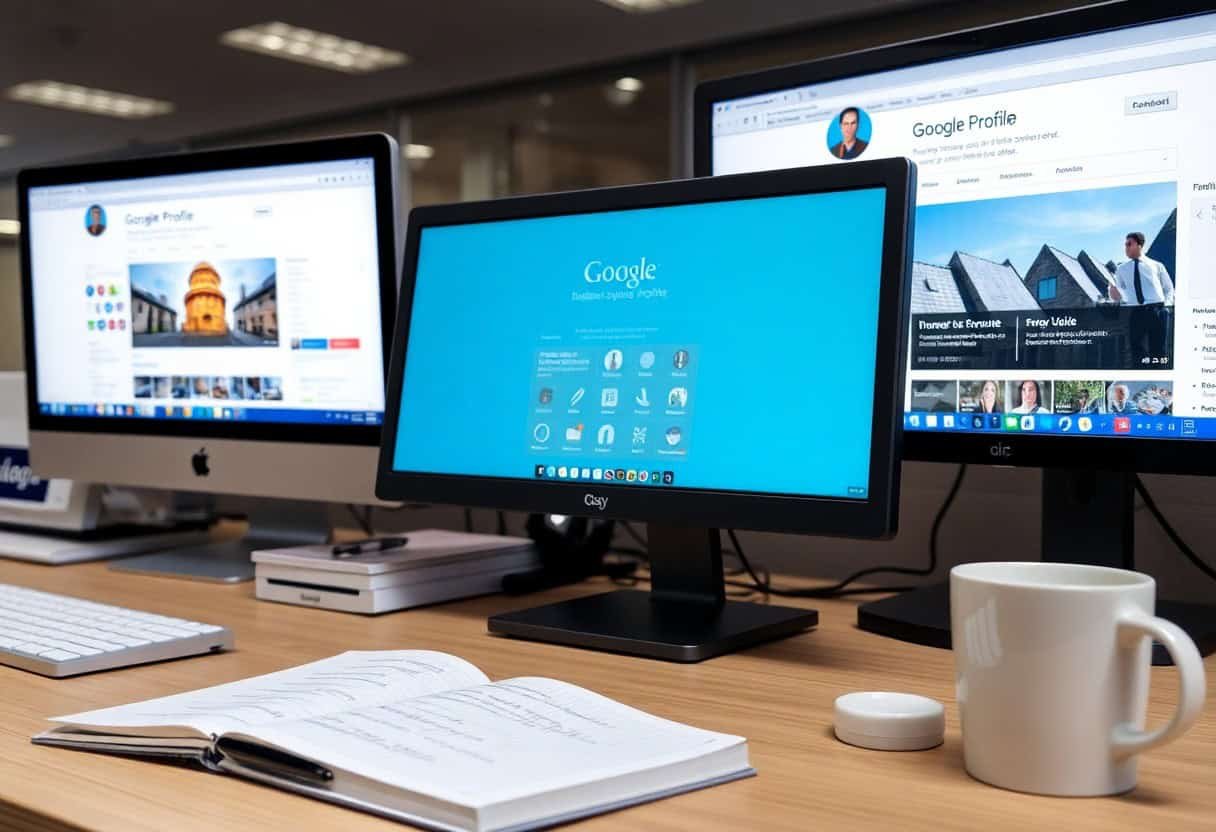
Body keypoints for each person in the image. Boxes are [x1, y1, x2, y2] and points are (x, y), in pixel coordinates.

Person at [1110, 231, 1174, 365]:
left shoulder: (1157, 266)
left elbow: (1169, 288)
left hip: (1157, 310)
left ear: (1139, 245)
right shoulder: (1121, 269)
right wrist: (1113, 294)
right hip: (1135, 312)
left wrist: (1166, 307)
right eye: (1125, 244)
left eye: (1129, 244)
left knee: (1159, 352)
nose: (1126, 247)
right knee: (1136, 352)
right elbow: (1118, 296)